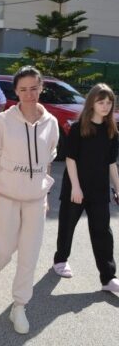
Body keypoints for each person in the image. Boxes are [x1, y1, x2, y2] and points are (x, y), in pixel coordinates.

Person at [0, 66, 59, 334]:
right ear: (16, 92)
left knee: (29, 255)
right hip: (6, 196)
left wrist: (44, 194)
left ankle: (19, 306)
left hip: (35, 200)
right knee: (4, 248)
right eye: (23, 89)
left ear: (41, 88)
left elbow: (48, 161)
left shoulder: (51, 123)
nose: (29, 94)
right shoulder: (2, 121)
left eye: (34, 88)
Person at [53, 83, 119, 292]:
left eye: (109, 103)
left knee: (102, 232)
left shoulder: (112, 131)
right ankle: (60, 260)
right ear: (92, 102)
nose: (105, 106)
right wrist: (75, 188)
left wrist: (118, 187)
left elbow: (111, 163)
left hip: (99, 190)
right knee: (67, 226)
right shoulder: (77, 127)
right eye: (101, 102)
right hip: (76, 188)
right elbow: (70, 159)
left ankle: (108, 278)